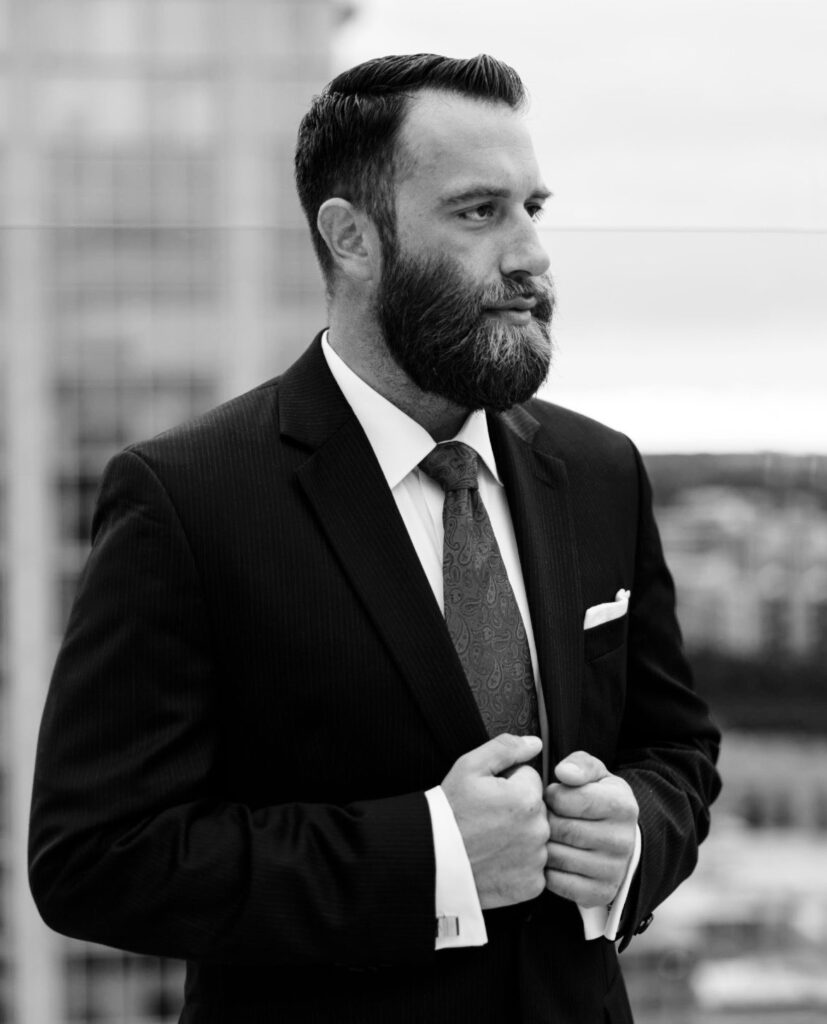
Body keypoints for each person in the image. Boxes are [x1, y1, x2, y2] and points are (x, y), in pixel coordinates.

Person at [29, 53, 721, 1024]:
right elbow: (95, 858)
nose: (529, 255)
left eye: (534, 208)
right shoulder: (183, 499)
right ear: (351, 239)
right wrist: (433, 855)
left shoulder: (599, 469)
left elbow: (676, 744)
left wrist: (635, 833)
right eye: (479, 212)